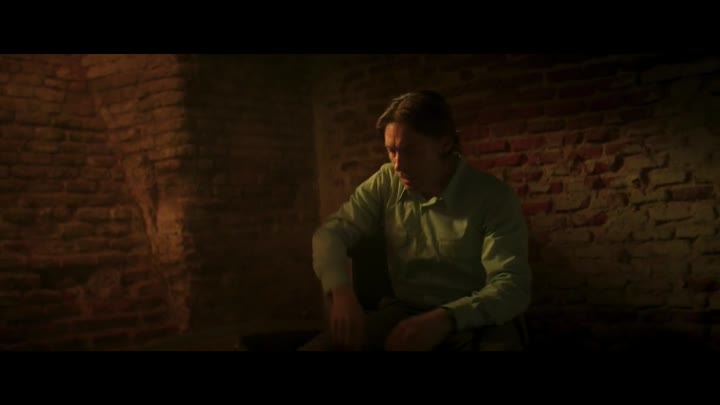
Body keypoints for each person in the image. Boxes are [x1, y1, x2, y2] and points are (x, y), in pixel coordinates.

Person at [300, 90, 531, 351]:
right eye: (391, 151)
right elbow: (330, 234)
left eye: (410, 151)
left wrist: (445, 319)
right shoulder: (387, 181)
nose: (398, 164)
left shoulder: (492, 197)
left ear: (445, 144)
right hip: (405, 312)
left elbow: (512, 286)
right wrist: (340, 291)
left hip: (476, 318)